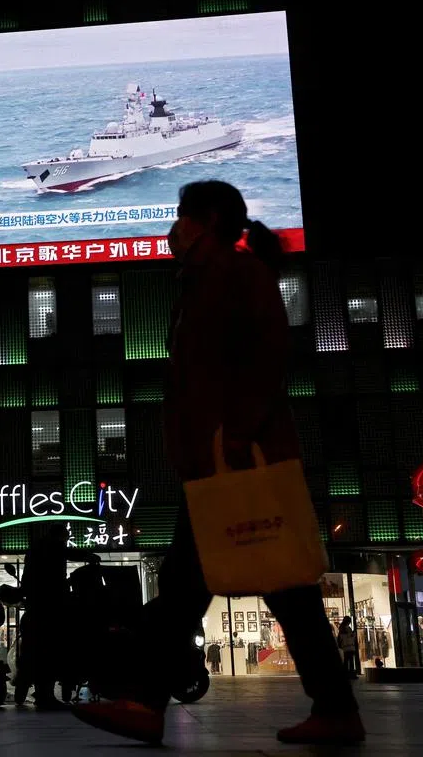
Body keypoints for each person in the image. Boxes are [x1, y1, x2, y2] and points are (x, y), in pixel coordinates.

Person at [71, 181, 364, 745]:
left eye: (182, 214)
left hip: (233, 460)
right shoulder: (208, 277)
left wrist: (238, 434)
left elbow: (266, 353)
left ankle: (148, 702)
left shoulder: (233, 272)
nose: (173, 225)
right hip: (217, 461)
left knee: (240, 586)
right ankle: (330, 706)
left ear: (205, 220)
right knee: (238, 586)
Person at [17, 523, 71, 709]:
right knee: (48, 650)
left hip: (35, 604)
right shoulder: (53, 547)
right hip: (48, 606)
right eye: (66, 536)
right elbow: (63, 560)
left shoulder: (35, 549)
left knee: (34, 650)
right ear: (60, 535)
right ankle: (44, 694)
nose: (67, 539)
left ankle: (31, 688)